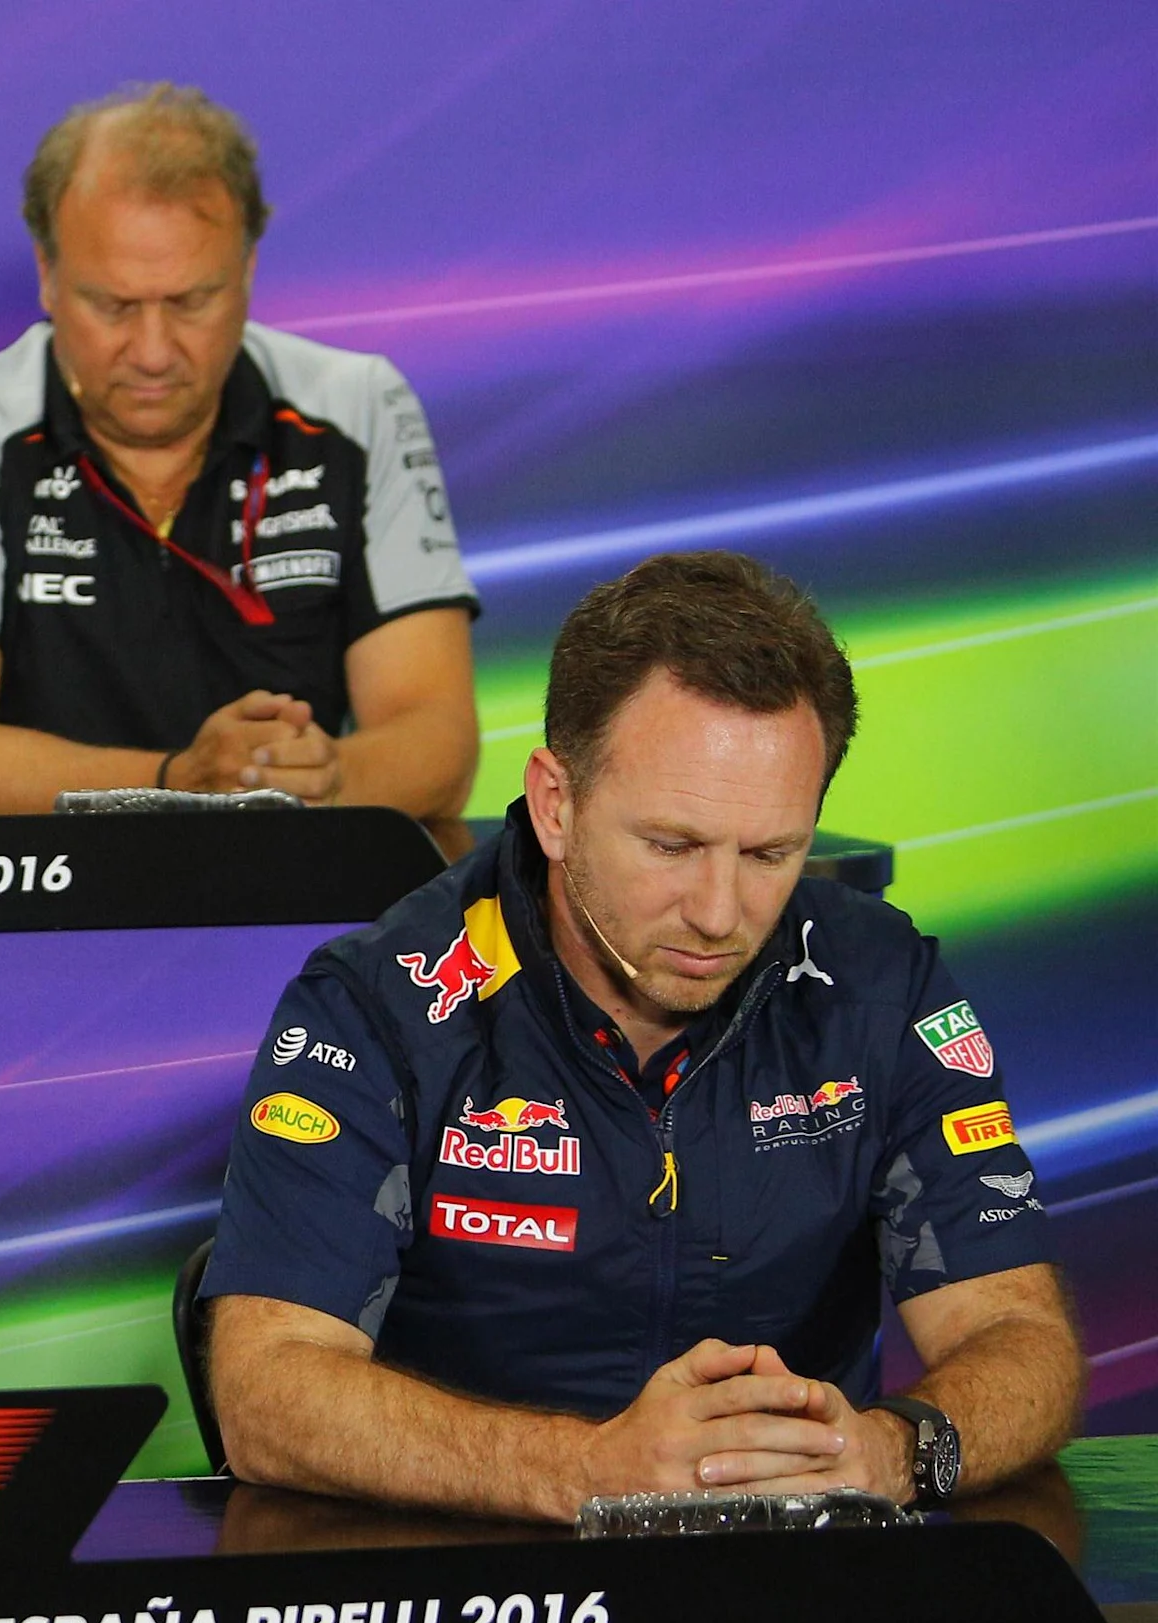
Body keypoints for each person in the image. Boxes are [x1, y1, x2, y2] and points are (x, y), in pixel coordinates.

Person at [200, 551, 1082, 1521]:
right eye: (669, 846)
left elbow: (1017, 1334)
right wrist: (585, 1472)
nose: (717, 912)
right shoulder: (374, 1006)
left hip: (783, 1602)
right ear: (555, 805)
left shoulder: (880, 988)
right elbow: (266, 1394)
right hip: (458, 1592)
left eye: (768, 853)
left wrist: (889, 1452)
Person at [0, 84, 478, 851]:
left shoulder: (359, 406)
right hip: (34, 911)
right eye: (111, 305)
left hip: (296, 896)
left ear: (246, 272)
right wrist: (177, 784)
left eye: (190, 302)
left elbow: (439, 744)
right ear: (46, 272)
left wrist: (314, 779)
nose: (150, 352)